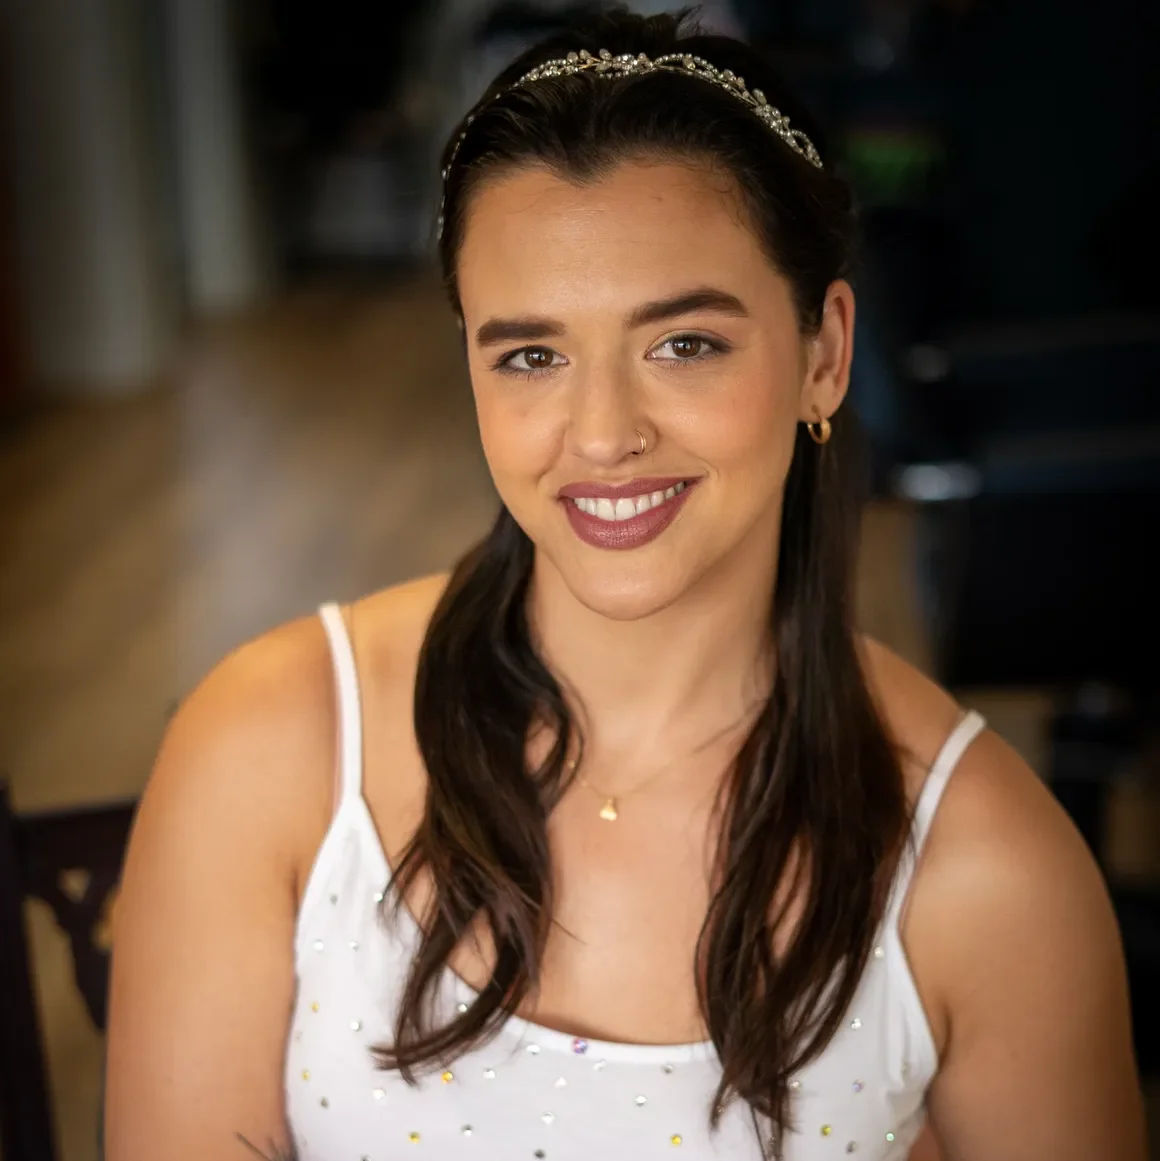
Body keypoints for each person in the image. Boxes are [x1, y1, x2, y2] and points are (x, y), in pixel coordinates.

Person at [103, 8, 1146, 1160]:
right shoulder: (269, 746)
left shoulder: (990, 870)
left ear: (823, 353)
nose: (599, 436)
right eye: (531, 355)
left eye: (681, 343)